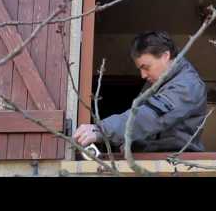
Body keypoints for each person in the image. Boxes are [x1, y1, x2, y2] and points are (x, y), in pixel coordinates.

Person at [73, 31, 207, 153]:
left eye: (146, 67)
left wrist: (102, 130)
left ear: (165, 56)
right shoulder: (157, 82)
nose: (142, 75)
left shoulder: (187, 86)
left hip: (172, 163)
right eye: (140, 69)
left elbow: (150, 116)